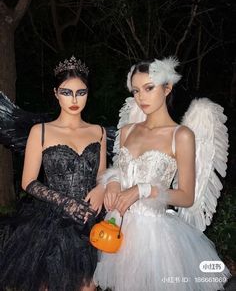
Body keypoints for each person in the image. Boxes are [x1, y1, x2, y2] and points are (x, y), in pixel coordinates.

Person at [94, 57, 231, 291]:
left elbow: (186, 197)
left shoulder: (181, 135)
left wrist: (143, 190)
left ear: (167, 88)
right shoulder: (127, 130)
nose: (141, 97)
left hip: (156, 238)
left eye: (149, 88)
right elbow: (120, 169)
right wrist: (114, 182)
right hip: (120, 228)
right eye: (136, 90)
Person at [0, 56, 106, 291]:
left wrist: (102, 187)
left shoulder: (98, 132)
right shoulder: (41, 131)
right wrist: (65, 202)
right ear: (56, 93)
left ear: (88, 92)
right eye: (67, 92)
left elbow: (102, 175)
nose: (75, 99)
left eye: (81, 92)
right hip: (50, 223)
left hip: (89, 222)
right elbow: (28, 182)